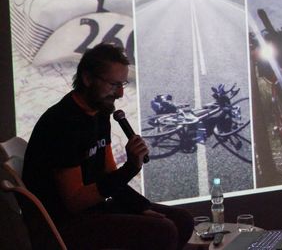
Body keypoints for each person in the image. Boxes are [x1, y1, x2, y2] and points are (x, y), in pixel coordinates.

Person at [23, 43, 194, 249]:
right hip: (63, 224)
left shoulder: (100, 112)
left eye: (123, 84)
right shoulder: (63, 123)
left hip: (93, 209)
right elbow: (75, 202)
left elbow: (108, 173)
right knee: (164, 231)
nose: (120, 93)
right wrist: (130, 168)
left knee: (182, 221)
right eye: (113, 84)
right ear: (87, 79)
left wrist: (138, 206)